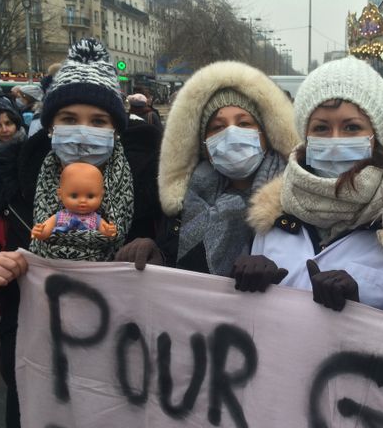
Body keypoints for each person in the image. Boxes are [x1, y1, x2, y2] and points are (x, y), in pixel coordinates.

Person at [0, 37, 161, 428]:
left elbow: (178, 271)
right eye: (70, 118)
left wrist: (156, 252)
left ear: (117, 127)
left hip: (123, 369)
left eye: (98, 120)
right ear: (50, 123)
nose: (83, 129)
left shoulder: (152, 191)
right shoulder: (9, 186)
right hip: (38, 367)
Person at [232, 56, 383, 316]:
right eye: (321, 128)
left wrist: (359, 314)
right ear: (305, 136)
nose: (335, 140)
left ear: (377, 135)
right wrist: (250, 292)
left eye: (352, 127)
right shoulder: (276, 214)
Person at [115, 60, 298, 275]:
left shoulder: (294, 202)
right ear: (205, 146)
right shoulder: (187, 199)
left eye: (244, 124)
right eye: (217, 127)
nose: (231, 134)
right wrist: (157, 255)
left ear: (266, 135)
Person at [31, 162, 117, 239]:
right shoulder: (59, 216)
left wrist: (109, 231)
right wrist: (40, 232)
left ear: (101, 196)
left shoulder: (96, 219)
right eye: (74, 196)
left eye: (90, 196)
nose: (83, 201)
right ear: (60, 195)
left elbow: (105, 234)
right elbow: (46, 232)